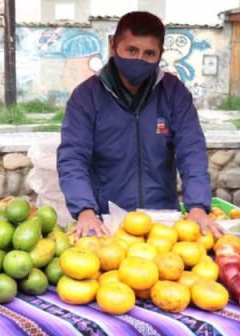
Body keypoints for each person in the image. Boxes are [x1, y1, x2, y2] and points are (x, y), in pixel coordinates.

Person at [57, 11, 220, 239]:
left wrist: (198, 206)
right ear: (113, 46)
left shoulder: (174, 93)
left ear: (160, 55)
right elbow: (73, 157)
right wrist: (85, 210)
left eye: (149, 53)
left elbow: (191, 151)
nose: (139, 60)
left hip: (162, 222)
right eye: (131, 50)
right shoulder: (86, 97)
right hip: (106, 222)